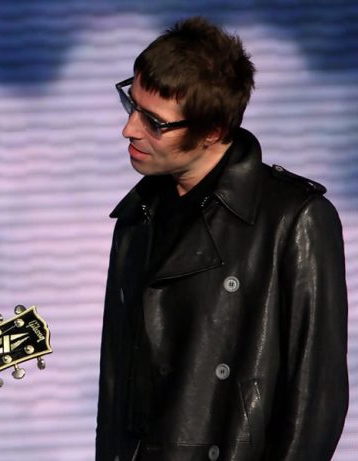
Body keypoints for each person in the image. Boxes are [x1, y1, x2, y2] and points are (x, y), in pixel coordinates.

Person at [96, 17, 348, 461]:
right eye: (130, 104)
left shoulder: (295, 220)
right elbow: (117, 397)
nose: (130, 129)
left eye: (155, 122)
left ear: (212, 131)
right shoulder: (136, 218)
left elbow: (315, 404)